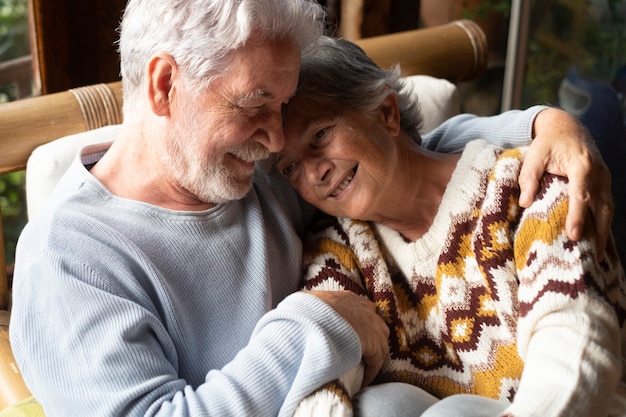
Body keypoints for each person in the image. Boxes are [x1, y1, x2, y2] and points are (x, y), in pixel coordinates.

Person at [7, 1, 615, 416]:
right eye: (255, 104)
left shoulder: (254, 173)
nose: (277, 142)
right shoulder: (68, 264)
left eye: (290, 110)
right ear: (165, 85)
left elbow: (409, 157)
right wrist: (319, 323)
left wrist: (548, 125)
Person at [276, 36, 626, 417]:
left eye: (320, 135)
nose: (315, 172)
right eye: (290, 166)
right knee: (377, 406)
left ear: (387, 113)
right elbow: (322, 370)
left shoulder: (527, 187)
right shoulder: (337, 246)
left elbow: (576, 346)